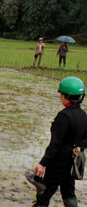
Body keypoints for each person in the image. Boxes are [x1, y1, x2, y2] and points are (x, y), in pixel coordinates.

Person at [32, 77, 87, 207]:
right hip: (73, 163)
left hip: (58, 163)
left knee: (44, 193)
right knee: (68, 192)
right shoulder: (83, 114)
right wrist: (80, 147)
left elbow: (55, 145)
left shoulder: (64, 116)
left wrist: (42, 163)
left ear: (64, 96)